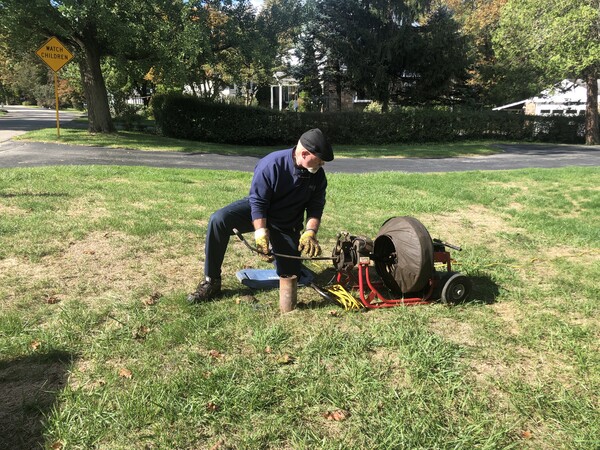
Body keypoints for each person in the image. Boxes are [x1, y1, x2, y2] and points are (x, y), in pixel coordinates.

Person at [188, 128, 334, 303]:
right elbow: (258, 203)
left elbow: (315, 208)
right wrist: (260, 232)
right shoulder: (271, 164)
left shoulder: (318, 176)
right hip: (260, 210)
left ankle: (280, 255)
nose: (322, 164)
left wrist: (310, 231)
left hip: (286, 222)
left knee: (291, 274)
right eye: (319, 160)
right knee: (219, 220)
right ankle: (211, 281)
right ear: (304, 153)